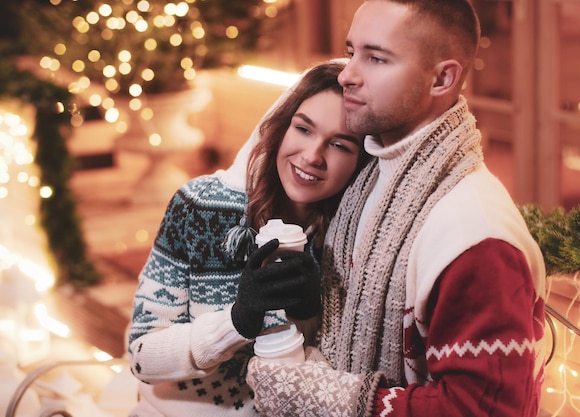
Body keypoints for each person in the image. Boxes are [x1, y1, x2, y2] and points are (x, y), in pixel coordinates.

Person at [245, 1, 547, 416]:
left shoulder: (475, 236)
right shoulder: (371, 177)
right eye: (352, 52)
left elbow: (487, 409)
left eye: (376, 58)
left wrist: (334, 399)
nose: (347, 74)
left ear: (442, 78)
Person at [126, 59, 367, 417]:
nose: (313, 155)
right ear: (280, 127)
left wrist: (310, 315)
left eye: (340, 145)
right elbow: (142, 357)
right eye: (303, 129)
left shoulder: (348, 239)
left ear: (360, 163)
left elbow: (336, 376)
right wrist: (236, 321)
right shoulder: (200, 207)